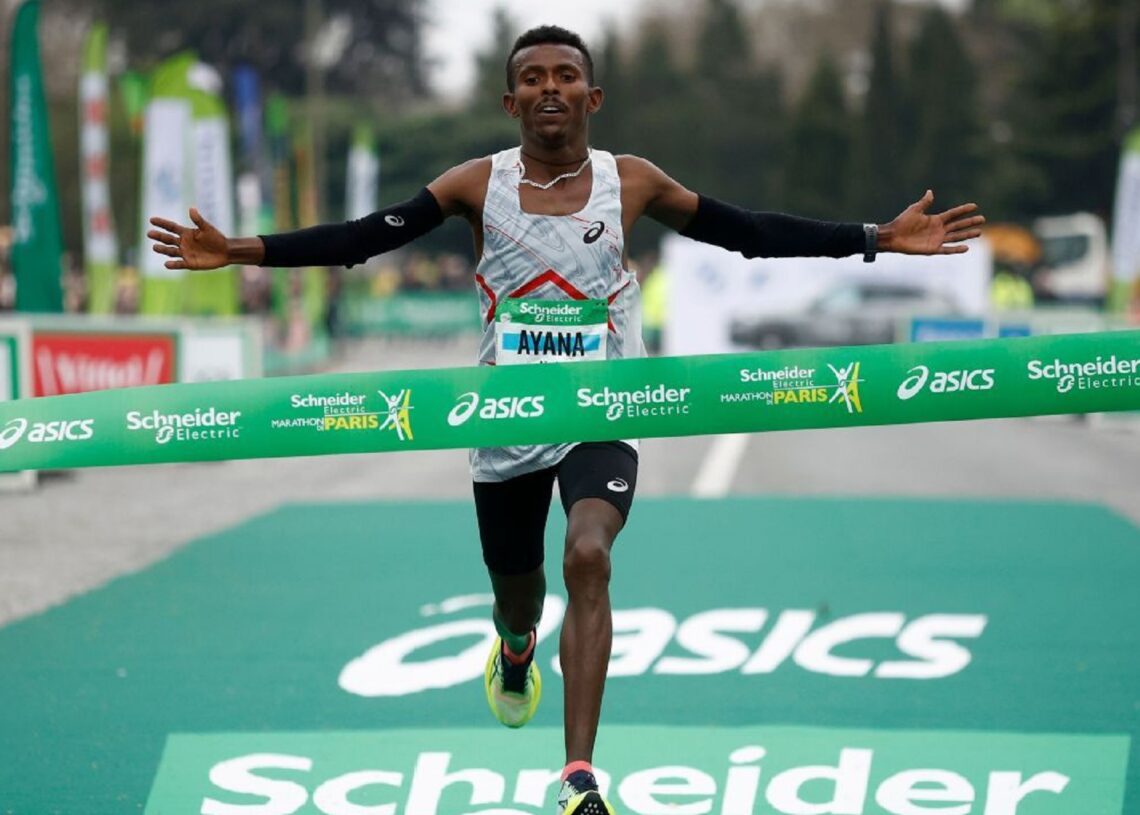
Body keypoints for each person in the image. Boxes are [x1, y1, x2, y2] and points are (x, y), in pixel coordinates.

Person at [148, 25, 984, 815]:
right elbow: (364, 237)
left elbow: (748, 232)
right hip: (505, 417)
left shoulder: (634, 182)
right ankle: (515, 646)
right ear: (510, 102)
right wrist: (241, 251)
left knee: (589, 554)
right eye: (532, 79)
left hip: (602, 408)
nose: (550, 88)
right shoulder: (475, 185)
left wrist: (875, 236)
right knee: (519, 593)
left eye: (566, 76)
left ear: (593, 96)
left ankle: (577, 774)